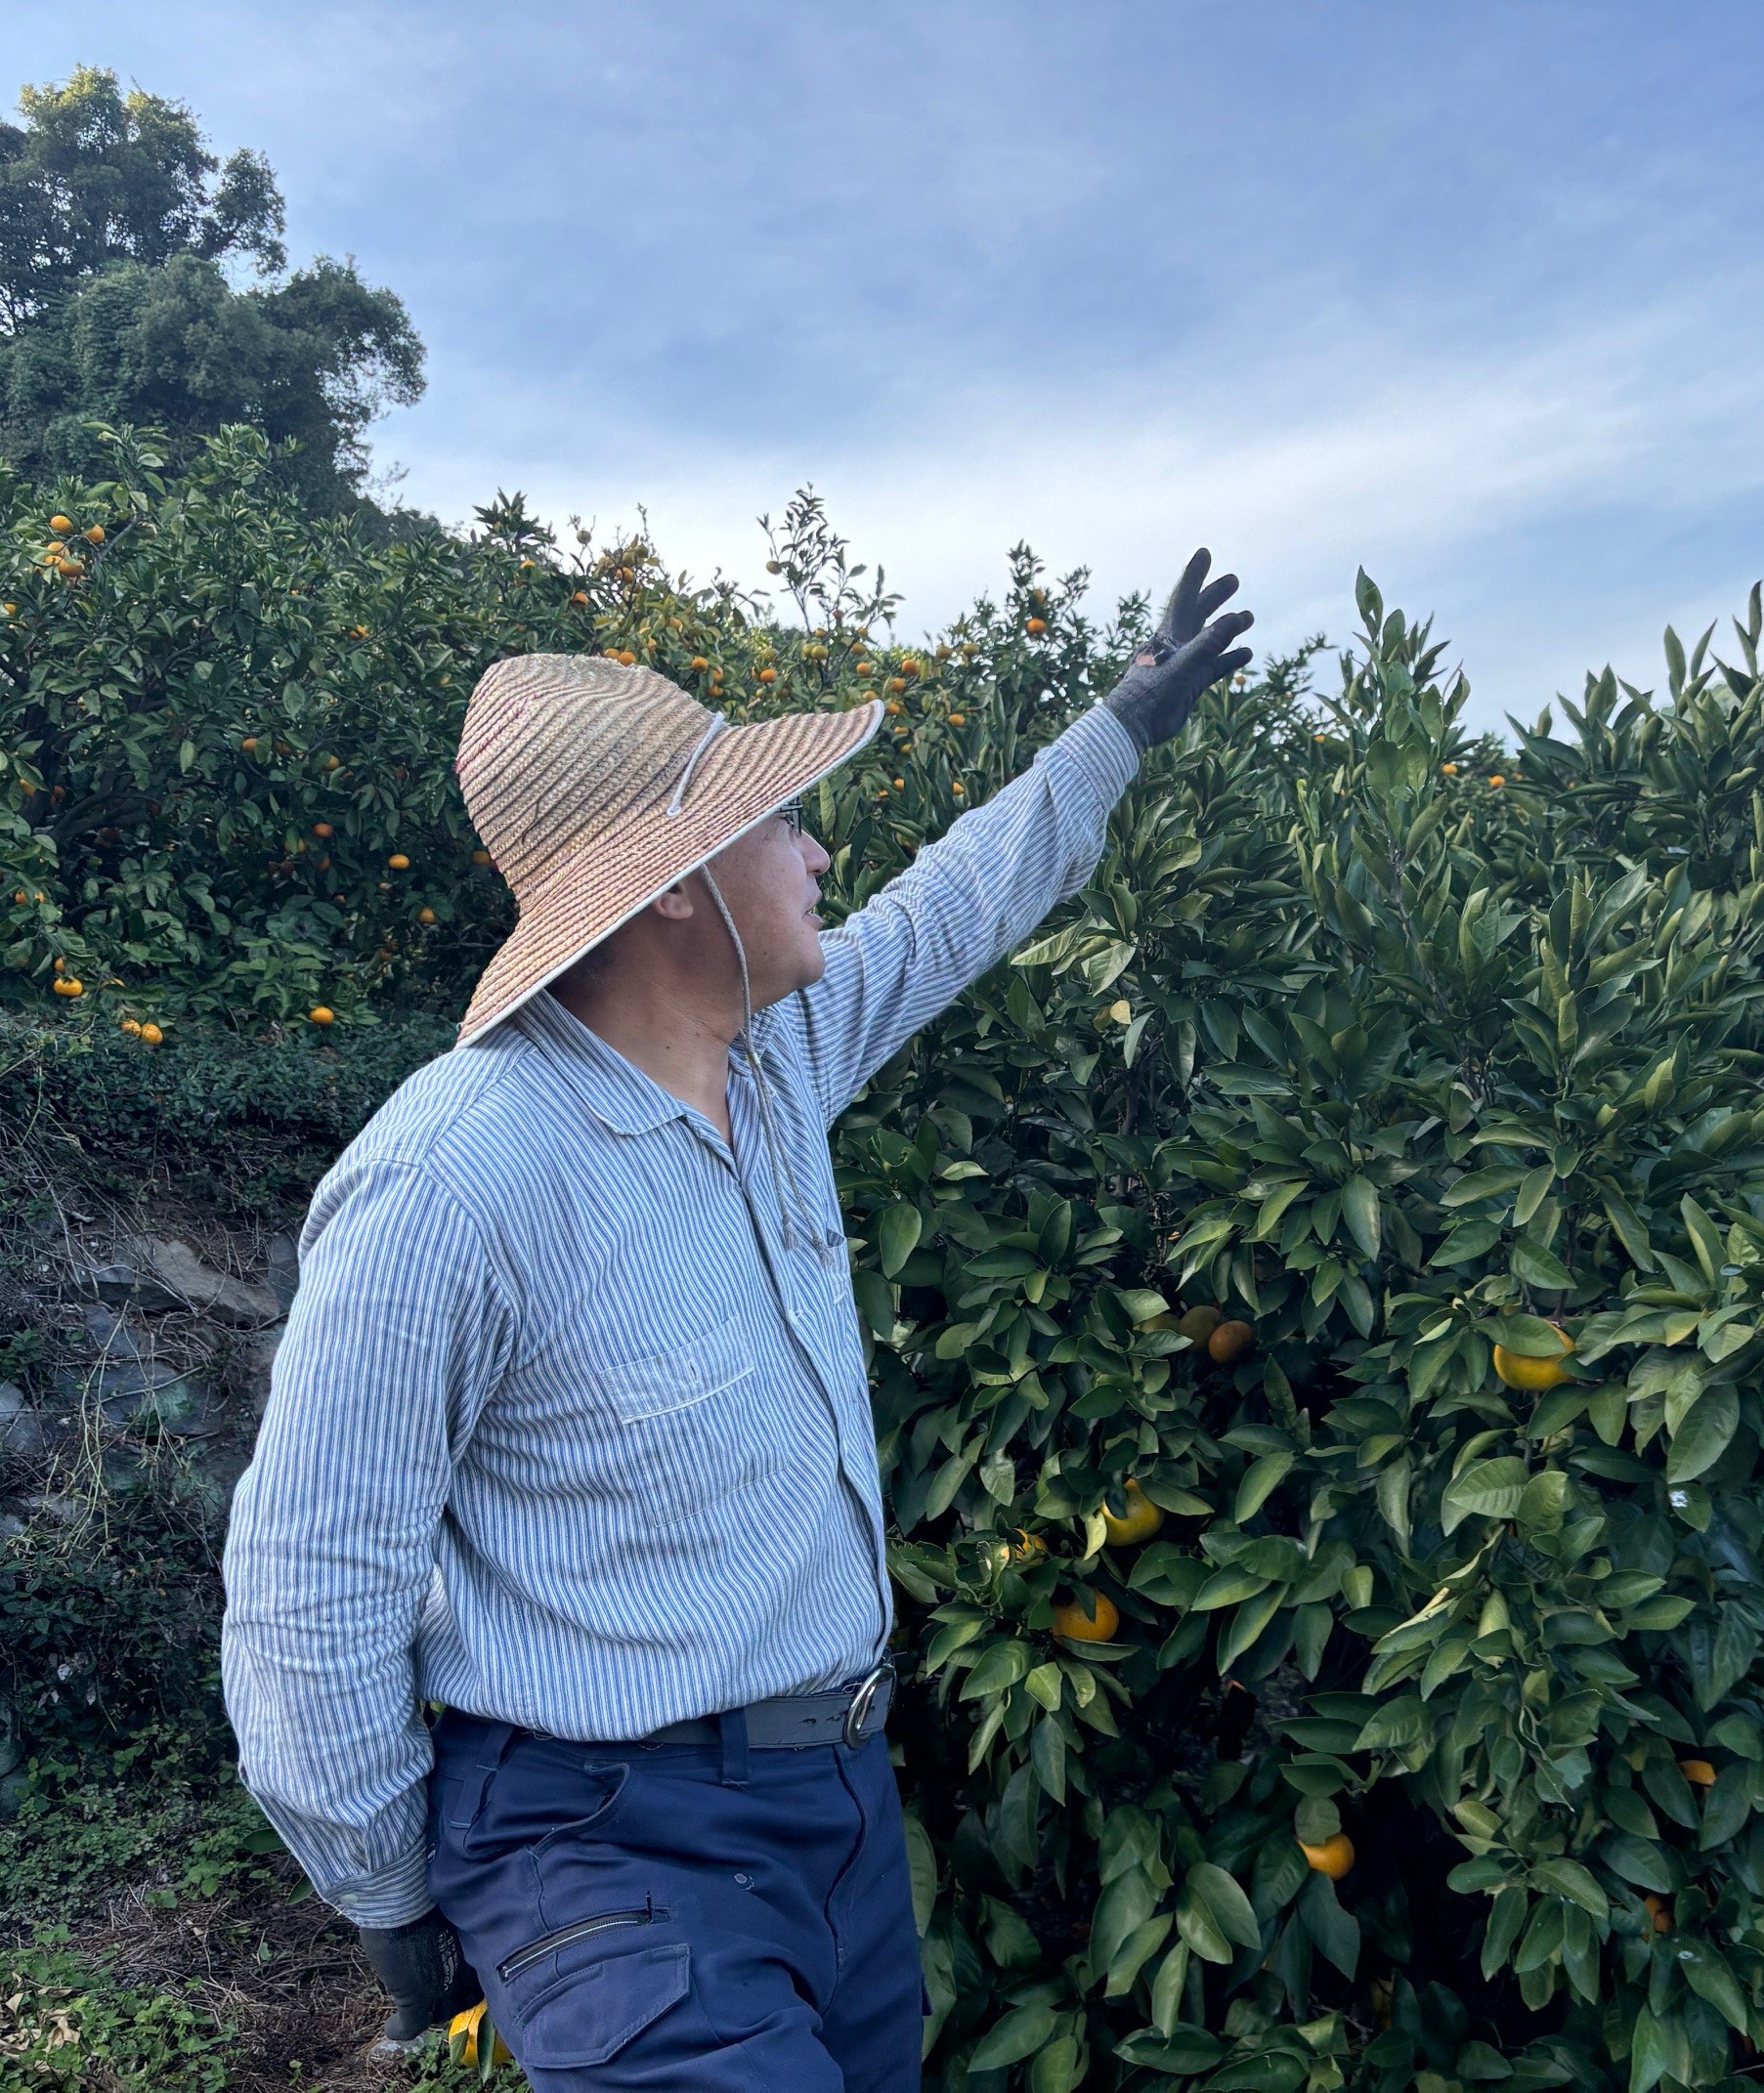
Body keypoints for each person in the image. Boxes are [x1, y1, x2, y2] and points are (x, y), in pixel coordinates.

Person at [219, 554, 1251, 2089]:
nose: (821, 849)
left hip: (834, 1806)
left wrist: (1121, 726)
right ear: (679, 880)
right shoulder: (454, 1178)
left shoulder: (770, 1063)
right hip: (606, 1842)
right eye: (781, 820)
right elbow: (313, 1574)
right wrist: (386, 1893)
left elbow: (953, 907)